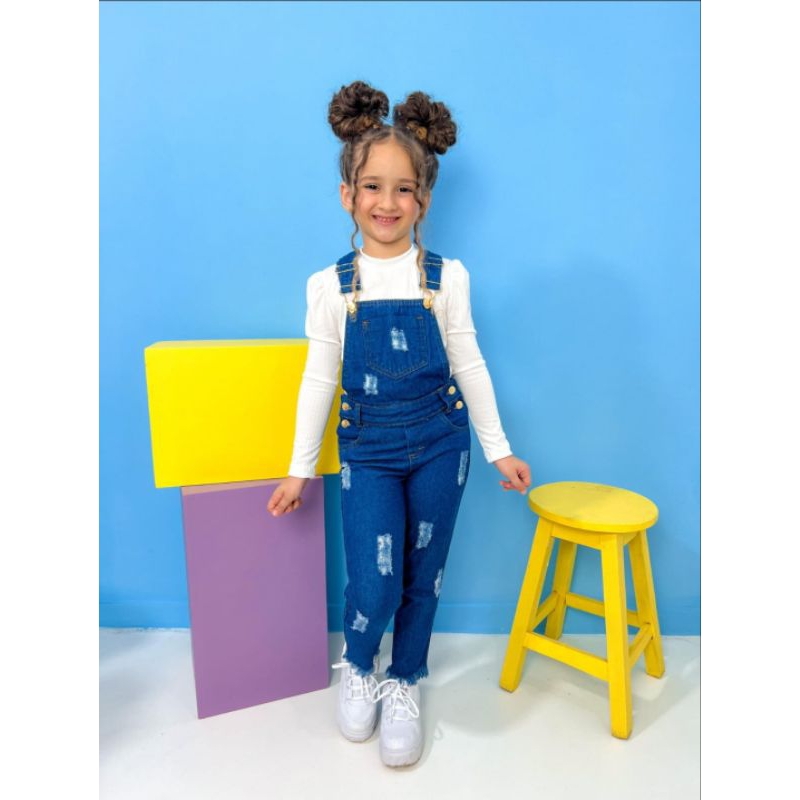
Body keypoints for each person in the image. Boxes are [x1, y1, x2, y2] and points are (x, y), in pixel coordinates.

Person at [267, 80, 531, 767]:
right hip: (368, 448)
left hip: (441, 442)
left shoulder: (446, 277)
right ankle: (360, 663)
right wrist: (299, 469)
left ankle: (406, 677)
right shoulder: (330, 286)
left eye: (404, 189)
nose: (388, 203)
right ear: (347, 195)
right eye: (372, 187)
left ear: (425, 199)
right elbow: (319, 380)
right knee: (375, 579)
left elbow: (469, 363)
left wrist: (498, 449)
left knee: (424, 572)